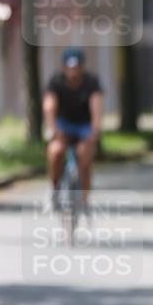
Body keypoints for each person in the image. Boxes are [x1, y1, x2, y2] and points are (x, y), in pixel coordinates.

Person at [43, 47, 103, 211]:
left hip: (84, 125)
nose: (73, 71)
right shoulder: (56, 81)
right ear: (64, 67)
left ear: (82, 67)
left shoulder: (91, 82)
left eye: (76, 67)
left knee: (85, 158)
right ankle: (54, 191)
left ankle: (84, 200)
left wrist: (96, 129)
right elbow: (50, 106)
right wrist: (52, 128)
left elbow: (96, 106)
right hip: (64, 124)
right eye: (70, 67)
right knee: (56, 152)